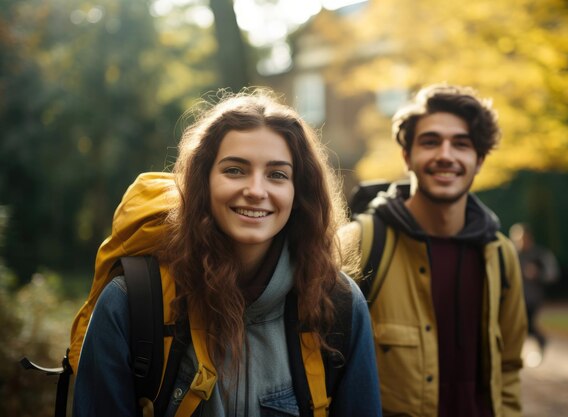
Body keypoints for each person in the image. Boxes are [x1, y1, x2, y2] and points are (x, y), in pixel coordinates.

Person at [72, 90, 381, 416]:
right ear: (202, 181)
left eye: (277, 174)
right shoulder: (129, 304)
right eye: (235, 170)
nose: (256, 191)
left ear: (298, 192)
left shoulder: (339, 305)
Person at [340, 84, 527, 417]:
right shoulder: (359, 243)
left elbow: (510, 365)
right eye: (430, 141)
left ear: (479, 159)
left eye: (461, 144)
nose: (445, 155)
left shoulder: (500, 254)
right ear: (407, 155)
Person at [509, 223, 559, 355]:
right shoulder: (513, 255)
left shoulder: (540, 255)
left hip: (532, 298)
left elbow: (552, 274)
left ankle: (540, 341)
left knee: (526, 325)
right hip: (515, 297)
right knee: (517, 325)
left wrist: (538, 274)